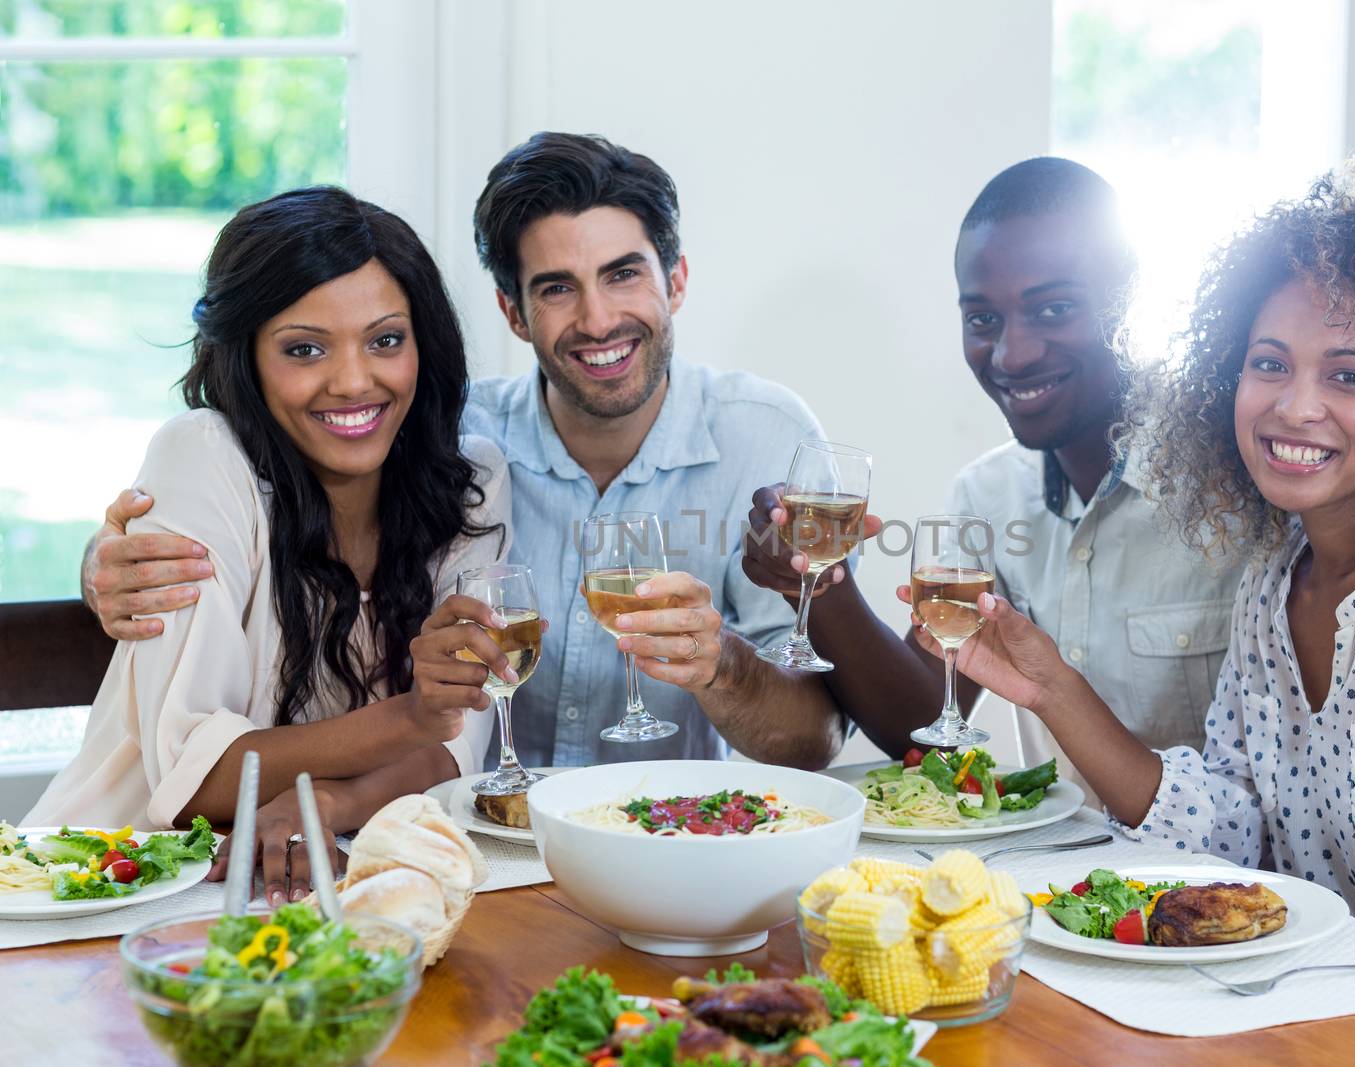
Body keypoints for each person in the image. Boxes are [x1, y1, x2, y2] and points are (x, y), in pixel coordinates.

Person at [920, 171, 1355, 1006]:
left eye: (1348, 376)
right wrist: (1052, 686)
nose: (1295, 404)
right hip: (1298, 1012)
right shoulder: (1273, 581)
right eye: (1268, 363)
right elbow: (1233, 829)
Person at [78, 133, 845, 770]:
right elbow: (258, 487)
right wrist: (108, 564)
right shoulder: (450, 443)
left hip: (658, 848)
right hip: (477, 850)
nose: (599, 317)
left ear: (675, 279)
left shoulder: (766, 437)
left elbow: (816, 739)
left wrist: (722, 664)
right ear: (512, 311)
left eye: (623, 274)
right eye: (557, 288)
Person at [27, 187, 520, 906]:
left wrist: (332, 803)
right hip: (116, 889)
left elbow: (456, 751)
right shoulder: (202, 458)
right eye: (304, 349)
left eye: (386, 339)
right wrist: (409, 717)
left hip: (336, 883)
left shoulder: (470, 479)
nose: (354, 380)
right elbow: (198, 779)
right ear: (247, 356)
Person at [741, 158, 1240, 780]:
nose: (1013, 353)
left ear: (1131, 301)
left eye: (1054, 310)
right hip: (1057, 874)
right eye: (982, 319)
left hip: (1219, 876)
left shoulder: (1239, 489)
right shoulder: (990, 493)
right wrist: (816, 580)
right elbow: (922, 721)